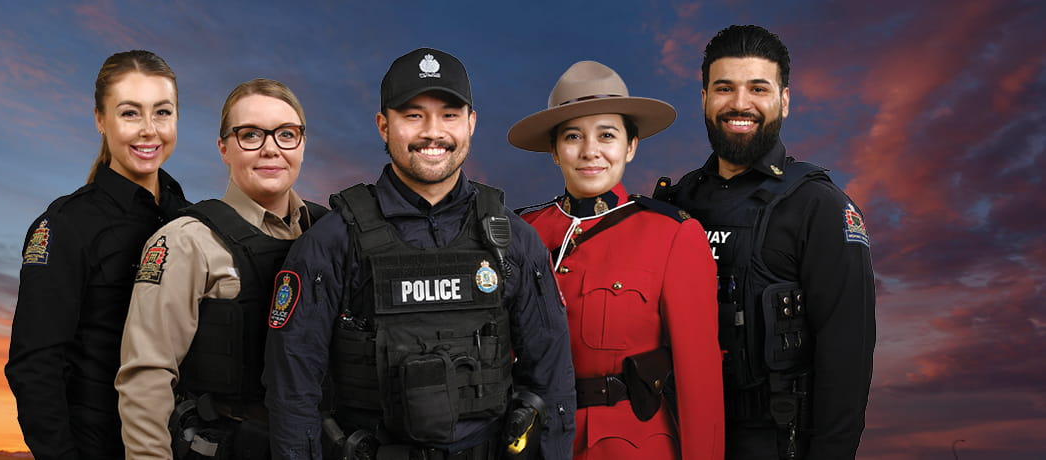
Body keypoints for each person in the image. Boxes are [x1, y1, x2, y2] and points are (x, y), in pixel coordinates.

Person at [263, 48, 577, 460]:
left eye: (449, 114)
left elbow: (551, 382)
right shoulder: (333, 241)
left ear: (471, 123)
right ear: (383, 125)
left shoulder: (513, 239)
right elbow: (292, 392)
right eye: (413, 115)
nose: (433, 132)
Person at [666, 25, 877, 460]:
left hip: (777, 440)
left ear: (784, 100)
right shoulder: (675, 200)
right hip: (680, 435)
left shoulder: (818, 205)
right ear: (704, 97)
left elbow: (847, 359)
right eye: (724, 88)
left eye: (758, 88)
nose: (739, 104)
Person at [507, 60, 724, 459]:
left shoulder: (673, 235)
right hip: (532, 442)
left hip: (629, 445)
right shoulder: (522, 231)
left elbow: (701, 383)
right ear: (554, 151)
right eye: (573, 136)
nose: (590, 151)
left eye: (607, 135)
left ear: (630, 146)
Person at [115, 78, 326, 460]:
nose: (270, 149)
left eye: (286, 134)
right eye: (250, 135)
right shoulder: (186, 241)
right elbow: (146, 378)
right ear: (224, 148)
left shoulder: (329, 233)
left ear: (302, 144)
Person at [5, 50, 192, 460]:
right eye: (130, 113)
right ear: (100, 120)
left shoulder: (188, 218)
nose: (149, 130)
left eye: (162, 112)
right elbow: (34, 367)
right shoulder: (67, 225)